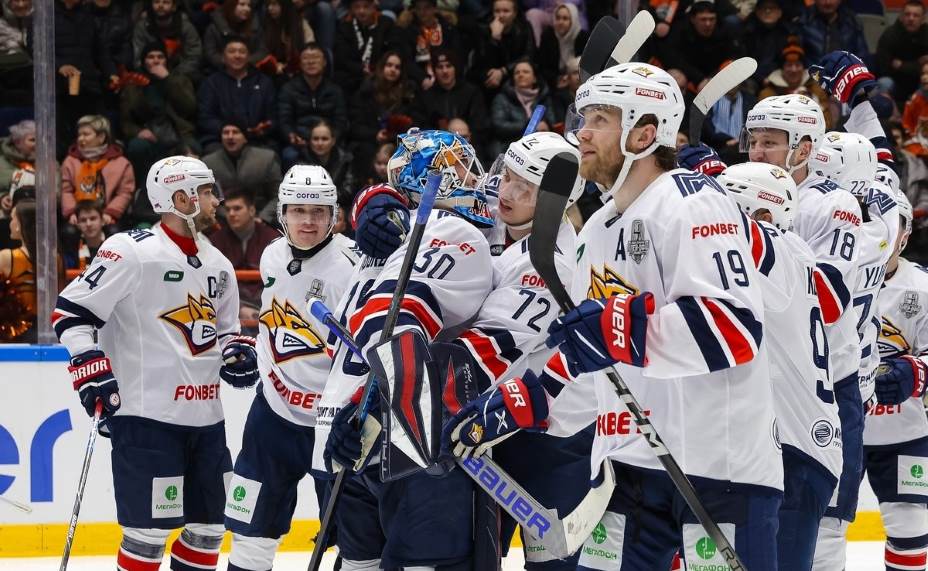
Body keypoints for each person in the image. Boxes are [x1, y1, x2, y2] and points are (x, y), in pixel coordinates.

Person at [447, 62, 783, 569]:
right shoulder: (598, 230)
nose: (582, 132)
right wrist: (524, 400)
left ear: (644, 135)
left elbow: (732, 329)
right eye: (584, 119)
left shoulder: (693, 202)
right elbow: (587, 354)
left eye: (600, 119)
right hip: (627, 466)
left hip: (719, 471)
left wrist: (615, 329)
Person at [52, 156, 256, 571]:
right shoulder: (130, 252)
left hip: (207, 420)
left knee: (210, 529)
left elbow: (227, 331)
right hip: (147, 420)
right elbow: (71, 313)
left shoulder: (218, 264)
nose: (215, 200)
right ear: (181, 199)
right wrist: (89, 362)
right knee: (147, 536)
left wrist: (237, 352)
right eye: (206, 192)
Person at [317, 130, 495, 570]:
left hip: (341, 426)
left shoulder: (378, 245)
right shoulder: (454, 231)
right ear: (429, 179)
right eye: (458, 168)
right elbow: (391, 326)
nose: (472, 177)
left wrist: (373, 198)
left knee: (358, 563)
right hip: (403, 431)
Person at [224, 164, 357, 571]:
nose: (308, 221)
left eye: (318, 211)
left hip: (332, 422)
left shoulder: (353, 267)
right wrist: (252, 349)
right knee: (250, 530)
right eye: (299, 210)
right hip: (273, 415)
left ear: (334, 214)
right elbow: (276, 321)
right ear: (282, 213)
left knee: (353, 541)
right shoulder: (272, 255)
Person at [714, 162, 843, 569]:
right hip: (783, 447)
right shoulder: (793, 253)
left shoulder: (779, 246)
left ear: (764, 215)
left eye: (725, 207)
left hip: (794, 450)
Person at [865, 190, 928, 571]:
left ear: (904, 235)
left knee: (910, 527)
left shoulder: (922, 287)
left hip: (905, 433)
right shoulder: (827, 276)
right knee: (822, 533)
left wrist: (919, 370)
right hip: (837, 433)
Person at [121, 41, 199, 191]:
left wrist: (168, 80)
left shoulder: (179, 79)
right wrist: (138, 132)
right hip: (148, 135)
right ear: (144, 61)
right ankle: (142, 191)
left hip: (178, 133)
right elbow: (125, 121)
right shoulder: (133, 84)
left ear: (166, 60)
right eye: (151, 57)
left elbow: (189, 107)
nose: (156, 61)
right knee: (137, 147)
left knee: (193, 147)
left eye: (160, 57)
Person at [0, 199, 63, 343]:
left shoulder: (6, 257)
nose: (10, 223)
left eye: (12, 219)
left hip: (14, 335)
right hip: (50, 331)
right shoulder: (55, 257)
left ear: (19, 225)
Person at [197, 36, 277, 151]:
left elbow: (273, 116)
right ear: (223, 57)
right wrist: (230, 131)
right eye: (232, 51)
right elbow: (205, 118)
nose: (237, 55)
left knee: (270, 154)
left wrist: (265, 127)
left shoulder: (264, 82)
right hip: (220, 139)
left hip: (257, 140)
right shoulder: (211, 83)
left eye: (242, 52)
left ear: (248, 57)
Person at [348, 50, 422, 171]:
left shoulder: (408, 95)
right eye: (389, 65)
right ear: (381, 67)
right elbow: (355, 126)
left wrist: (392, 137)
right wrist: (375, 135)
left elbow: (414, 125)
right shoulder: (365, 93)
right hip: (370, 142)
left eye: (397, 67)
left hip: (398, 143)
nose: (393, 70)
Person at [277, 43, 348, 168]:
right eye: (306, 58)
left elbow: (340, 120)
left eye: (315, 57)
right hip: (300, 141)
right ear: (300, 63)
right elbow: (284, 120)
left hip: (327, 140)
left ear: (324, 62)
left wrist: (332, 139)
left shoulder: (335, 90)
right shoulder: (288, 89)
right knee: (289, 155)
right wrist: (292, 136)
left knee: (345, 156)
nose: (311, 62)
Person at [60, 115, 136, 230]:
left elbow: (125, 192)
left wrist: (110, 213)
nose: (81, 138)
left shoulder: (121, 163)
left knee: (114, 231)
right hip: (78, 216)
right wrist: (72, 213)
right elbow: (66, 191)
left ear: (101, 137)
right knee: (68, 231)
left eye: (86, 134)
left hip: (108, 216)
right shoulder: (70, 161)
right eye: (79, 135)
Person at [206, 189, 280, 302]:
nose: (231, 214)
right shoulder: (215, 241)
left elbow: (278, 281)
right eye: (228, 209)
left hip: (266, 303)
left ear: (251, 210)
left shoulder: (273, 239)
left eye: (237, 208)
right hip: (230, 303)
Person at [202, 124, 282, 220]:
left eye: (235, 132)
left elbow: (278, 195)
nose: (230, 136)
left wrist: (263, 217)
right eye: (226, 133)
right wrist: (228, 216)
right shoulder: (209, 163)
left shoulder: (266, 158)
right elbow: (208, 197)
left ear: (245, 138)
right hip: (224, 219)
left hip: (261, 217)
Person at [661, 0, 744, 92]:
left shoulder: (724, 30)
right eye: (703, 19)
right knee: (677, 78)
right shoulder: (681, 30)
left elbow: (735, 54)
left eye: (712, 19)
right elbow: (673, 59)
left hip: (716, 75)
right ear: (693, 19)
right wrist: (699, 79)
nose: (708, 24)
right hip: (689, 75)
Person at [757, 42, 835, 129]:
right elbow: (763, 126)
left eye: (797, 65)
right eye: (789, 65)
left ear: (803, 68)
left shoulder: (816, 89)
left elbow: (828, 125)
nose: (794, 70)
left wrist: (813, 101)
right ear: (782, 69)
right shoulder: (768, 94)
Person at [468, 0, 534, 99]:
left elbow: (529, 56)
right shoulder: (482, 27)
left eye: (506, 11)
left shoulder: (524, 27)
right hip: (490, 75)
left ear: (515, 13)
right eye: (497, 11)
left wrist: (503, 71)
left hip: (513, 72)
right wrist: (494, 39)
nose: (501, 15)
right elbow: (481, 61)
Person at [420, 48, 489, 142]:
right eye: (440, 67)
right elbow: (422, 128)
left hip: (469, 143)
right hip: (437, 145)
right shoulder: (426, 97)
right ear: (434, 71)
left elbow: (481, 125)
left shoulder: (472, 93)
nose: (445, 71)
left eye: (448, 66)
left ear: (455, 68)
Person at [489, 59, 555, 156]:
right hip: (510, 148)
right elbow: (499, 126)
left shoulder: (544, 97)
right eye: (517, 72)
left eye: (525, 72)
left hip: (540, 147)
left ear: (534, 78)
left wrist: (546, 125)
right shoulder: (502, 99)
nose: (521, 75)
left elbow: (552, 122)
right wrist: (529, 125)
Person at [333, 0, 401, 93]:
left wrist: (377, 69)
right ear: (352, 9)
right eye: (357, 7)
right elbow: (342, 57)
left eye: (366, 6)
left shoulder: (386, 24)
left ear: (374, 7)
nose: (361, 11)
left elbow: (394, 50)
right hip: (354, 75)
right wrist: (361, 69)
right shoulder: (345, 27)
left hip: (380, 73)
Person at [132, 0, 203, 83]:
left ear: (174, 7)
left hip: (180, 73)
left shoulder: (186, 27)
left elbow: (194, 57)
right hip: (148, 73)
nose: (160, 5)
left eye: (166, 2)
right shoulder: (142, 27)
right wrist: (152, 71)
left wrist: (171, 75)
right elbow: (138, 58)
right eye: (156, 2)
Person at [394, 0, 462, 87]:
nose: (422, 12)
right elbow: (407, 60)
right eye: (418, 8)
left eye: (427, 8)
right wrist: (422, 78)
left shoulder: (448, 29)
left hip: (447, 74)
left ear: (435, 9)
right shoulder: (409, 31)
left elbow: (457, 55)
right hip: (420, 80)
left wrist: (447, 74)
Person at [876, 0, 928, 108]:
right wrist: (918, 64)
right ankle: (891, 116)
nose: (911, 18)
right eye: (907, 14)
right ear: (901, 16)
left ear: (923, 18)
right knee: (884, 82)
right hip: (895, 81)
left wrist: (901, 65)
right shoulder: (889, 35)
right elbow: (883, 68)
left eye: (916, 15)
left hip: (920, 82)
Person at [296, 119, 355, 206]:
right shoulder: (300, 162)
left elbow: (348, 190)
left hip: (339, 206)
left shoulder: (345, 159)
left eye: (324, 139)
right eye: (315, 139)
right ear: (310, 141)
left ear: (333, 141)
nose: (320, 143)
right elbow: (301, 193)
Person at [795, 0, 869, 66]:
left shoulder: (852, 22)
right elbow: (795, 59)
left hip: (845, 74)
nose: (828, 2)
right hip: (811, 74)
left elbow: (863, 57)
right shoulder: (802, 22)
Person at [203, 0, 268, 74]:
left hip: (250, 71)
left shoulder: (255, 27)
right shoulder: (214, 28)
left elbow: (262, 51)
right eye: (242, 4)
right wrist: (229, 62)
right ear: (231, 6)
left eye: (249, 5)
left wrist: (243, 62)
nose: (247, 9)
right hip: (220, 72)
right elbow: (210, 53)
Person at [740, 0, 794, 84]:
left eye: (772, 8)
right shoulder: (748, 32)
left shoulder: (789, 33)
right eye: (764, 8)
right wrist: (761, 78)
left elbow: (791, 60)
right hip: (752, 78)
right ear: (757, 12)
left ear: (780, 13)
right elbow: (743, 61)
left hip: (781, 77)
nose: (767, 11)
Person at [258, 0, 314, 82]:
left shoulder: (300, 25)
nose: (270, 8)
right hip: (274, 71)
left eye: (274, 4)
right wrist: (276, 65)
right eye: (268, 5)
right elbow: (263, 52)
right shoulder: (267, 25)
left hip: (297, 70)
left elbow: (309, 50)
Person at [537, 3, 588, 92]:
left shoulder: (583, 37)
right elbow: (543, 67)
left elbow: (587, 67)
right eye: (558, 18)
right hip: (555, 84)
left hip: (580, 83)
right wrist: (557, 79)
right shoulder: (548, 37)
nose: (560, 22)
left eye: (565, 18)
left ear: (573, 20)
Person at [64, 200, 109, 270]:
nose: (88, 224)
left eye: (93, 219)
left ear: (102, 221)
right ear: (78, 224)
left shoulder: (113, 245)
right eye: (83, 220)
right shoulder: (72, 248)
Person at [0, 119, 35, 199]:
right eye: (32, 140)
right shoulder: (2, 162)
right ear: (18, 142)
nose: (37, 144)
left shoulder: (47, 161)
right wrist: (2, 197)